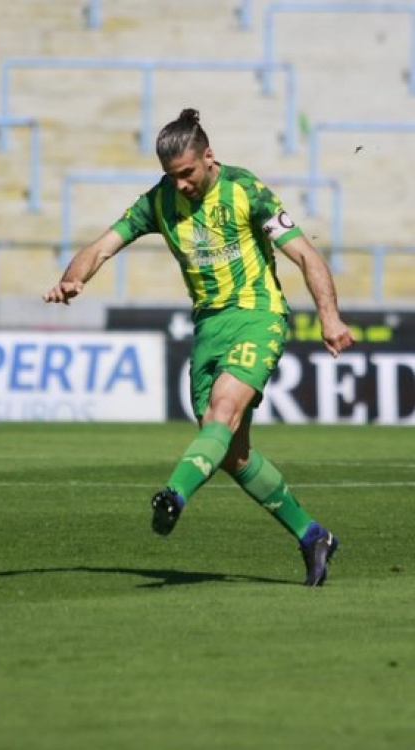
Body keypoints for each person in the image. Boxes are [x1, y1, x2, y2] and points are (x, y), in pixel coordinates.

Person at [44, 108, 355, 587]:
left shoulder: (245, 190)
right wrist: (72, 278)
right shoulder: (159, 202)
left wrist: (329, 318)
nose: (181, 185)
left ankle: (174, 495)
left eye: (187, 173)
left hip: (258, 316)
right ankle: (313, 534)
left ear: (209, 157)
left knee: (221, 414)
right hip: (208, 328)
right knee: (232, 453)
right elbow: (103, 245)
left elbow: (305, 254)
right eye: (172, 176)